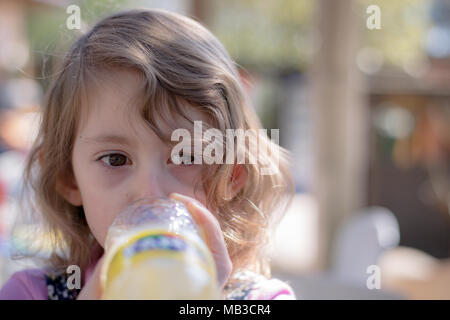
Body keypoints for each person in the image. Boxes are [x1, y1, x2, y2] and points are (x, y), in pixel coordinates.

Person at [0, 9, 295, 300]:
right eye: (115, 159)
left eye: (185, 156)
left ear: (231, 175)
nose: (150, 190)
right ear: (69, 179)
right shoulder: (30, 293)